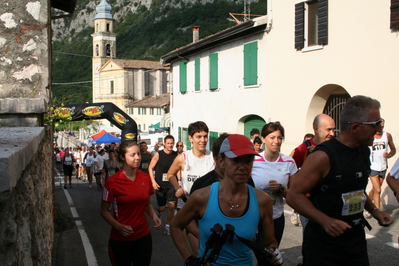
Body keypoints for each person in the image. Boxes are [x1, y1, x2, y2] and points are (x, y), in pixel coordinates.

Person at [287, 95, 393, 265]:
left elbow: (355, 190)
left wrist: (374, 211)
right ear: (356, 127)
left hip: (355, 241)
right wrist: (325, 220)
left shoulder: (363, 152)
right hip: (324, 246)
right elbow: (294, 195)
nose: (379, 129)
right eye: (375, 124)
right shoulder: (323, 156)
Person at [170, 134, 281, 266]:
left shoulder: (262, 200)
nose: (242, 167)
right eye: (235, 160)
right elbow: (176, 225)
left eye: (248, 161)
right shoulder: (202, 197)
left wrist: (274, 253)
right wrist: (188, 258)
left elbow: (269, 242)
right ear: (221, 161)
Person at [100, 140, 161, 266]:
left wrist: (154, 216)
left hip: (143, 236)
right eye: (132, 155)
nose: (137, 158)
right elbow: (104, 211)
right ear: (122, 157)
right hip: (120, 240)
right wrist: (119, 227)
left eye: (138, 154)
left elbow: (147, 204)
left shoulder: (145, 178)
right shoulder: (112, 182)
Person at [168, 121, 215, 255]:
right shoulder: (183, 158)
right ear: (190, 138)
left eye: (205, 136)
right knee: (197, 251)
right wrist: (177, 188)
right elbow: (170, 174)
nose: (203, 140)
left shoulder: (214, 158)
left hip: (210, 210)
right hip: (189, 209)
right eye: (199, 137)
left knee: (211, 252)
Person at [251, 122, 298, 246]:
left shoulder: (289, 162)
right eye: (272, 137)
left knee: (272, 254)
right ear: (263, 139)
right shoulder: (253, 160)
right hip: (255, 217)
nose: (276, 141)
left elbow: (294, 195)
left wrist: (280, 189)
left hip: (276, 217)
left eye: (279, 138)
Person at [290, 114, 335, 227]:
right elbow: (291, 171)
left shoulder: (336, 146)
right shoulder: (302, 149)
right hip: (309, 201)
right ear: (316, 129)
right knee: (311, 236)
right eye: (329, 130)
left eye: (333, 129)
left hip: (331, 199)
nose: (332, 134)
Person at [148, 135, 178, 236]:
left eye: (171, 143)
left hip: (171, 184)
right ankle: (159, 212)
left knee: (172, 205)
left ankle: (168, 226)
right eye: (168, 143)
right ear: (164, 143)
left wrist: (180, 181)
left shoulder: (176, 155)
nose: (170, 145)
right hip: (160, 184)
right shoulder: (158, 155)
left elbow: (178, 169)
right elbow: (150, 168)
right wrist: (153, 181)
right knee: (162, 207)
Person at [367, 119, 396, 215]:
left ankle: (365, 204)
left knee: (375, 190)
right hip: (372, 167)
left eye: (382, 126)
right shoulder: (370, 136)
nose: (380, 128)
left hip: (383, 167)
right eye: (379, 126)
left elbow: (393, 150)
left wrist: (389, 155)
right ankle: (377, 212)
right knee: (378, 190)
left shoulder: (387, 136)